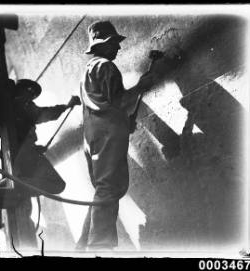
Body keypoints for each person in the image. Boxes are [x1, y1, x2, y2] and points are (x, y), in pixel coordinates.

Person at [76, 21, 155, 250]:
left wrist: (123, 120)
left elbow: (103, 105)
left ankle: (83, 245)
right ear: (102, 45)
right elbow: (118, 101)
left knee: (104, 189)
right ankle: (99, 247)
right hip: (107, 135)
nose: (118, 48)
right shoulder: (105, 66)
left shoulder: (88, 71)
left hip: (95, 136)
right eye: (113, 43)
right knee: (109, 189)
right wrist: (141, 86)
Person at [0, 79, 81, 196]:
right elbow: (46, 113)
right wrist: (67, 105)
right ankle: (13, 184)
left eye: (32, 95)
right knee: (57, 185)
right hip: (24, 154)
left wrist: (36, 148)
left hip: (24, 153)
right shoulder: (20, 106)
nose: (31, 96)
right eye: (29, 92)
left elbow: (44, 114)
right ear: (20, 91)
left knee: (56, 185)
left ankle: (14, 184)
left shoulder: (21, 106)